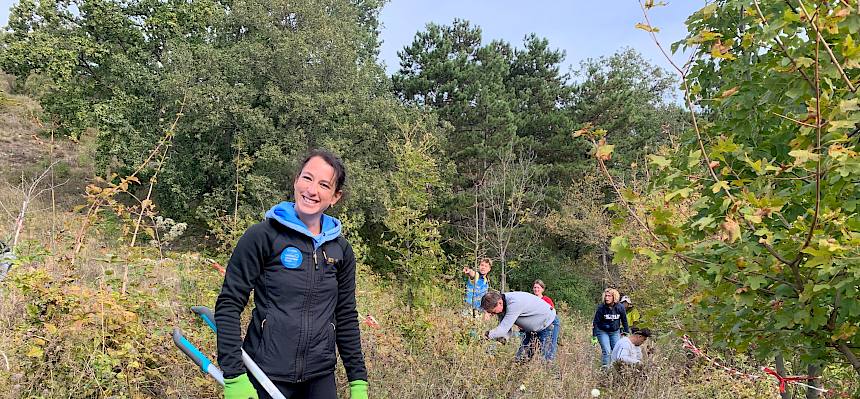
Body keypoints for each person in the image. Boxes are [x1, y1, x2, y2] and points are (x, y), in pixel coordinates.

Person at [215, 150, 368, 399]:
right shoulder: (262, 237)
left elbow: (346, 316)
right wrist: (233, 375)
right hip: (265, 373)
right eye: (307, 178)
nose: (312, 190)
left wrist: (358, 381)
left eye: (323, 184)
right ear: (296, 179)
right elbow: (229, 304)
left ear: (335, 196)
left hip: (319, 379)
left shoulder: (340, 250)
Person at [481, 291, 559, 361]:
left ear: (500, 303)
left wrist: (484, 336)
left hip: (548, 324)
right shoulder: (502, 307)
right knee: (520, 359)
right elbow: (506, 331)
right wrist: (498, 343)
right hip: (531, 330)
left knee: (547, 360)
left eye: (493, 312)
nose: (492, 314)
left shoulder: (514, 303)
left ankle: (556, 377)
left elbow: (502, 330)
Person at [592, 288, 629, 367]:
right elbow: (596, 322)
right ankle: (605, 370)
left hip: (615, 331)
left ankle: (615, 369)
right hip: (602, 331)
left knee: (616, 351)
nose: (607, 298)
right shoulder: (601, 308)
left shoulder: (620, 307)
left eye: (609, 296)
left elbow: (624, 321)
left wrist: (626, 332)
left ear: (614, 297)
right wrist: (594, 336)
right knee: (607, 351)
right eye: (606, 296)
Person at [532, 280, 561, 357]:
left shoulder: (546, 299)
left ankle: (549, 361)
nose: (536, 289)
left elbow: (552, 313)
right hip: (537, 325)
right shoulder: (531, 300)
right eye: (535, 287)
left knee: (549, 344)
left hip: (548, 323)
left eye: (538, 287)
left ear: (542, 289)